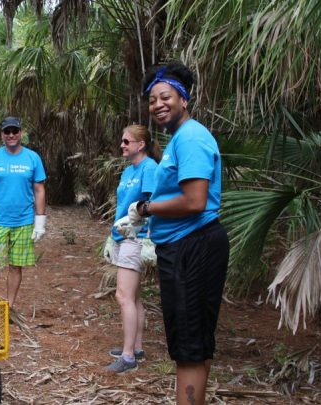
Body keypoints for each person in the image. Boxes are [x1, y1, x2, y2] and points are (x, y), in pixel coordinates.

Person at [123, 61, 229, 404]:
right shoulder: (179, 139)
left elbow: (195, 200)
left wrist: (146, 209)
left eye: (165, 96)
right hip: (185, 245)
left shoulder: (192, 137)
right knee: (194, 341)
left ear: (184, 99)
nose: (157, 105)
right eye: (152, 100)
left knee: (188, 346)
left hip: (191, 247)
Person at [0, 116, 46, 308]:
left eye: (15, 131)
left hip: (24, 221)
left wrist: (40, 222)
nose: (11, 135)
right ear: (2, 134)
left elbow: (39, 190)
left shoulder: (33, 158)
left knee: (15, 265)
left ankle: (9, 306)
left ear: (21, 133)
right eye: (7, 131)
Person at [105, 124, 159, 375]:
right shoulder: (128, 171)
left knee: (123, 296)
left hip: (135, 238)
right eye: (122, 141)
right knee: (134, 297)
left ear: (141, 145)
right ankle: (136, 347)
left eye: (127, 141)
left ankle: (128, 357)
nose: (122, 145)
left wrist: (146, 235)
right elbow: (124, 205)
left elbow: (152, 204)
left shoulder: (149, 168)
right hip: (121, 234)